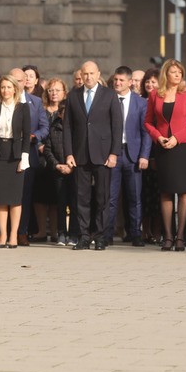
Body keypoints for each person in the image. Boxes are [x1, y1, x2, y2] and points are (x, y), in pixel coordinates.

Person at [63, 61, 123, 250]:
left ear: (98, 74)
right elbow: (67, 127)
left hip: (103, 155)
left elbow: (117, 126)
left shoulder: (110, 95)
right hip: (80, 155)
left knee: (102, 198)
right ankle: (84, 236)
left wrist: (114, 153)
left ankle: (102, 237)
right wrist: (69, 153)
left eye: (91, 74)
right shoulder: (73, 96)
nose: (88, 77)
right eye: (85, 74)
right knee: (81, 198)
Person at [144, 59, 186, 252]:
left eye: (180, 72)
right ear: (166, 75)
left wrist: (177, 137)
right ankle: (168, 236)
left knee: (184, 191)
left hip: (183, 146)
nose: (178, 75)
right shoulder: (155, 95)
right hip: (162, 147)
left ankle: (180, 236)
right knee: (166, 191)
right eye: (174, 72)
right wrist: (158, 137)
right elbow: (148, 122)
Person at [0, 74, 31, 248]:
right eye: (3, 87)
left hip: (16, 154)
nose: (6, 90)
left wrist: (24, 158)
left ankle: (13, 236)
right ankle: (2, 235)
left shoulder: (23, 108)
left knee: (15, 199)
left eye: (9, 87)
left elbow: (27, 135)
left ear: (15, 89)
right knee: (1, 198)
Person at [107, 66, 152, 246]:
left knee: (134, 197)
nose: (117, 83)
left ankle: (135, 234)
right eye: (115, 80)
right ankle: (108, 234)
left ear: (130, 82)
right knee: (110, 197)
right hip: (113, 155)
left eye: (121, 80)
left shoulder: (141, 103)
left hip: (133, 155)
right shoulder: (107, 100)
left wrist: (144, 155)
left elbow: (146, 132)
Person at [7, 68, 50, 245]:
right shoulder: (0, 101)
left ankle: (21, 231)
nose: (16, 84)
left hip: (27, 154)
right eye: (13, 80)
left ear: (25, 82)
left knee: (24, 195)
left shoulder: (36, 102)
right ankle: (0, 231)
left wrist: (34, 137)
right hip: (5, 154)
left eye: (19, 80)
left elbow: (44, 127)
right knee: (3, 193)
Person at [41, 78, 77, 246]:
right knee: (60, 203)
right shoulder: (53, 128)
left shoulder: (76, 130)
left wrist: (71, 166)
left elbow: (80, 149)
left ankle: (74, 234)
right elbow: (47, 149)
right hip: (58, 170)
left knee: (75, 203)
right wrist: (56, 165)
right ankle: (61, 233)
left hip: (73, 170)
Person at [139, 68, 163, 244]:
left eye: (154, 82)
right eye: (147, 81)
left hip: (158, 153)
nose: (150, 84)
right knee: (143, 195)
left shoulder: (161, 102)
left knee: (158, 195)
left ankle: (157, 231)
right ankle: (144, 230)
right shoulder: (139, 102)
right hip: (140, 155)